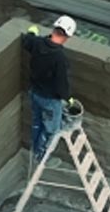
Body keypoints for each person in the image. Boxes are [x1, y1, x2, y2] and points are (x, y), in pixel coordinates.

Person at [25, 15, 77, 162]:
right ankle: (42, 157)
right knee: (52, 130)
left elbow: (27, 41)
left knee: (37, 123)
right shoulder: (60, 58)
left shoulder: (37, 43)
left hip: (35, 93)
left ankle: (35, 149)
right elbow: (61, 84)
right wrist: (68, 99)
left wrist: (32, 32)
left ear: (54, 29)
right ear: (67, 36)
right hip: (50, 100)